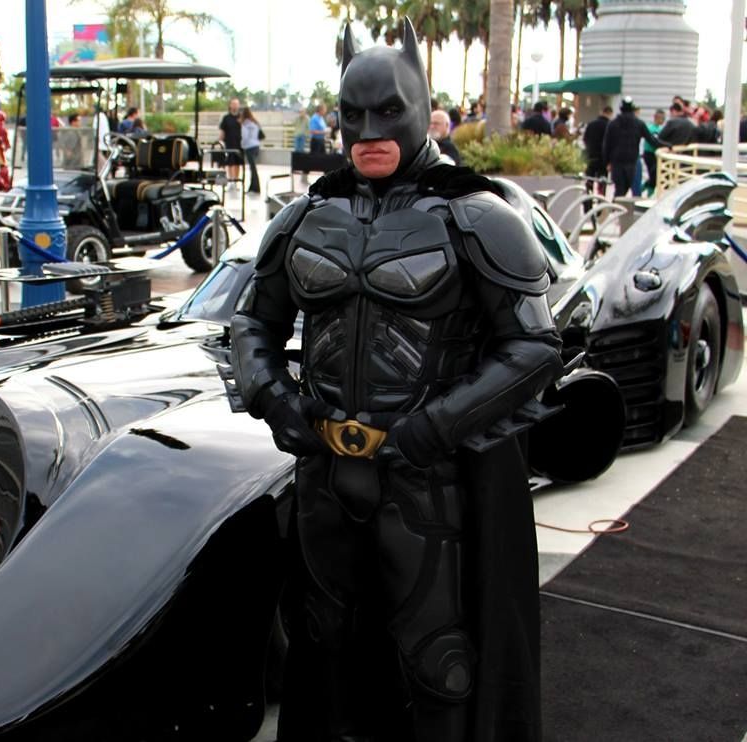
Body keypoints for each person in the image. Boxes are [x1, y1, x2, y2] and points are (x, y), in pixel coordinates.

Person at [230, 17, 563, 742]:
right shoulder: (304, 217)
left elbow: (535, 346)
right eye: (353, 116)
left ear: (420, 109)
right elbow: (252, 321)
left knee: (439, 661)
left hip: (426, 483)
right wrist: (274, 398)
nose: (370, 132)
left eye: (388, 112)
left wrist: (434, 427)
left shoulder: (477, 216)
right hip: (324, 477)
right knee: (323, 647)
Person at [602, 97, 661, 197]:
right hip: (631, 161)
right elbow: (652, 140)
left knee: (619, 189)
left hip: (617, 161)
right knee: (627, 186)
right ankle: (620, 204)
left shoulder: (613, 124)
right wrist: (668, 145)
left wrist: (607, 162)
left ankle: (616, 205)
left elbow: (606, 144)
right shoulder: (639, 124)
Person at [218, 98, 243, 190]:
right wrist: (220, 141)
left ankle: (236, 181)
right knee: (230, 163)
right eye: (233, 104)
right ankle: (231, 181)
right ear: (230, 105)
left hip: (240, 144)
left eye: (237, 104)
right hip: (229, 143)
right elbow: (222, 131)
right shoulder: (226, 118)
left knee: (237, 163)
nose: (235, 106)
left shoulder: (241, 117)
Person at [240, 106, 262, 194]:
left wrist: (242, 145)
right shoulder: (254, 122)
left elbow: (244, 137)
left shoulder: (245, 124)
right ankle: (253, 187)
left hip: (249, 147)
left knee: (252, 169)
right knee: (253, 168)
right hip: (256, 146)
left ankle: (255, 187)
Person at [643, 108, 665, 195]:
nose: (663, 120)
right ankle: (646, 191)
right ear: (656, 118)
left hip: (656, 154)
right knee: (653, 176)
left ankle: (644, 189)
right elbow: (654, 142)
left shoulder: (660, 129)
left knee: (654, 176)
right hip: (650, 154)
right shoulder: (651, 129)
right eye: (662, 118)